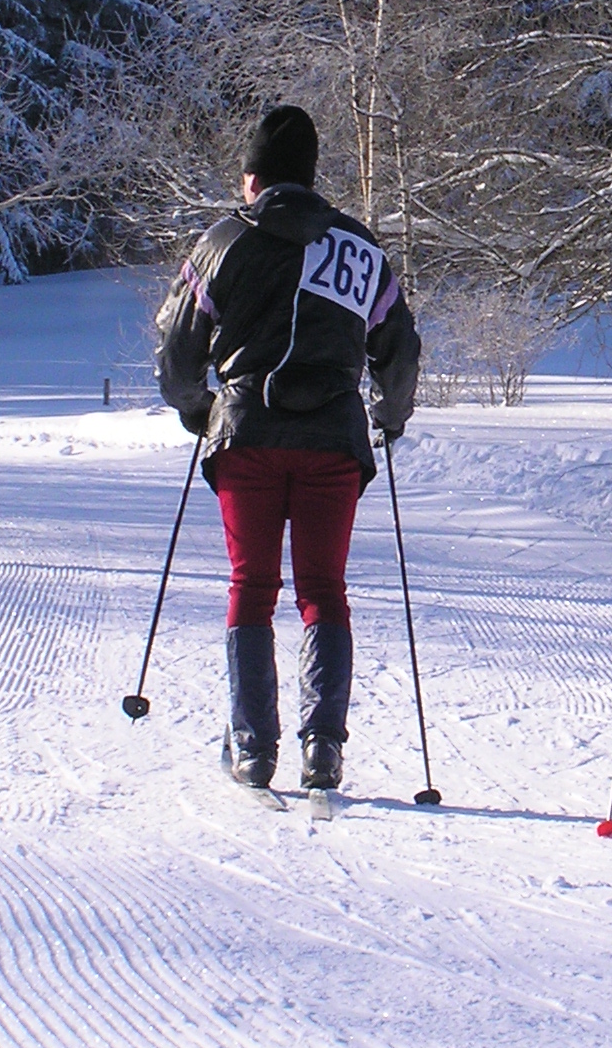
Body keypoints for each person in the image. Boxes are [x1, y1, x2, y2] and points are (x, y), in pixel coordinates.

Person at [155, 106, 420, 792]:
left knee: (252, 586)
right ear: (310, 176)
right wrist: (389, 416)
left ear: (253, 179)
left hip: (248, 432)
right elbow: (398, 348)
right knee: (323, 588)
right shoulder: (360, 249)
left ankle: (253, 748)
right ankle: (323, 746)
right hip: (334, 438)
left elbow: (177, 351)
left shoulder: (222, 243)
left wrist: (198, 409)